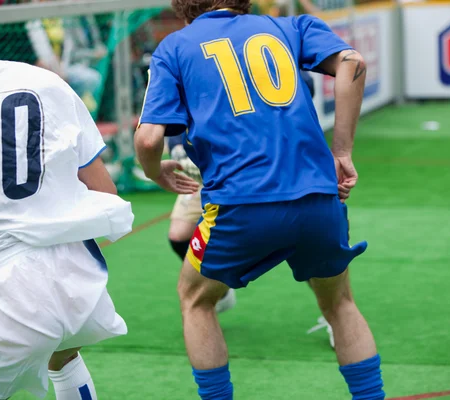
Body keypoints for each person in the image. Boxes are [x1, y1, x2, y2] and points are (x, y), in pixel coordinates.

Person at [134, 1, 384, 399]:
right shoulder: (292, 26)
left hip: (239, 203)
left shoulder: (175, 46)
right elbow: (352, 63)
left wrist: (153, 170)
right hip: (318, 196)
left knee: (195, 300)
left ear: (182, 5)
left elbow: (148, 139)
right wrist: (341, 151)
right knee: (340, 306)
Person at [0, 0, 137, 399]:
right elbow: (106, 192)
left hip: (11, 285)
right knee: (63, 356)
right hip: (80, 273)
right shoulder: (49, 82)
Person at [167, 134, 237, 314]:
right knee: (178, 235)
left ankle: (321, 304)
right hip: (197, 182)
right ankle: (220, 290)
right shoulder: (177, 112)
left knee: (289, 238)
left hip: (233, 181)